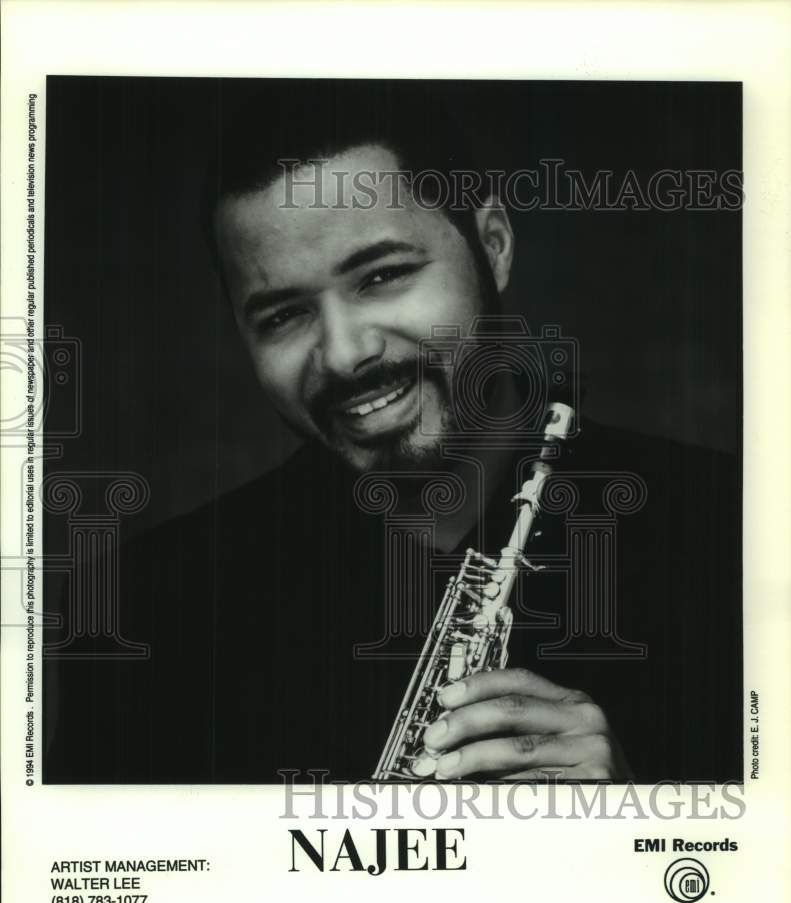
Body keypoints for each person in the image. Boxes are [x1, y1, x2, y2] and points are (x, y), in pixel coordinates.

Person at [44, 82, 741, 784]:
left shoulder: (732, 533)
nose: (344, 354)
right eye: (282, 316)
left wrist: (636, 829)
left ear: (492, 245)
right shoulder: (145, 607)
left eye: (381, 276)